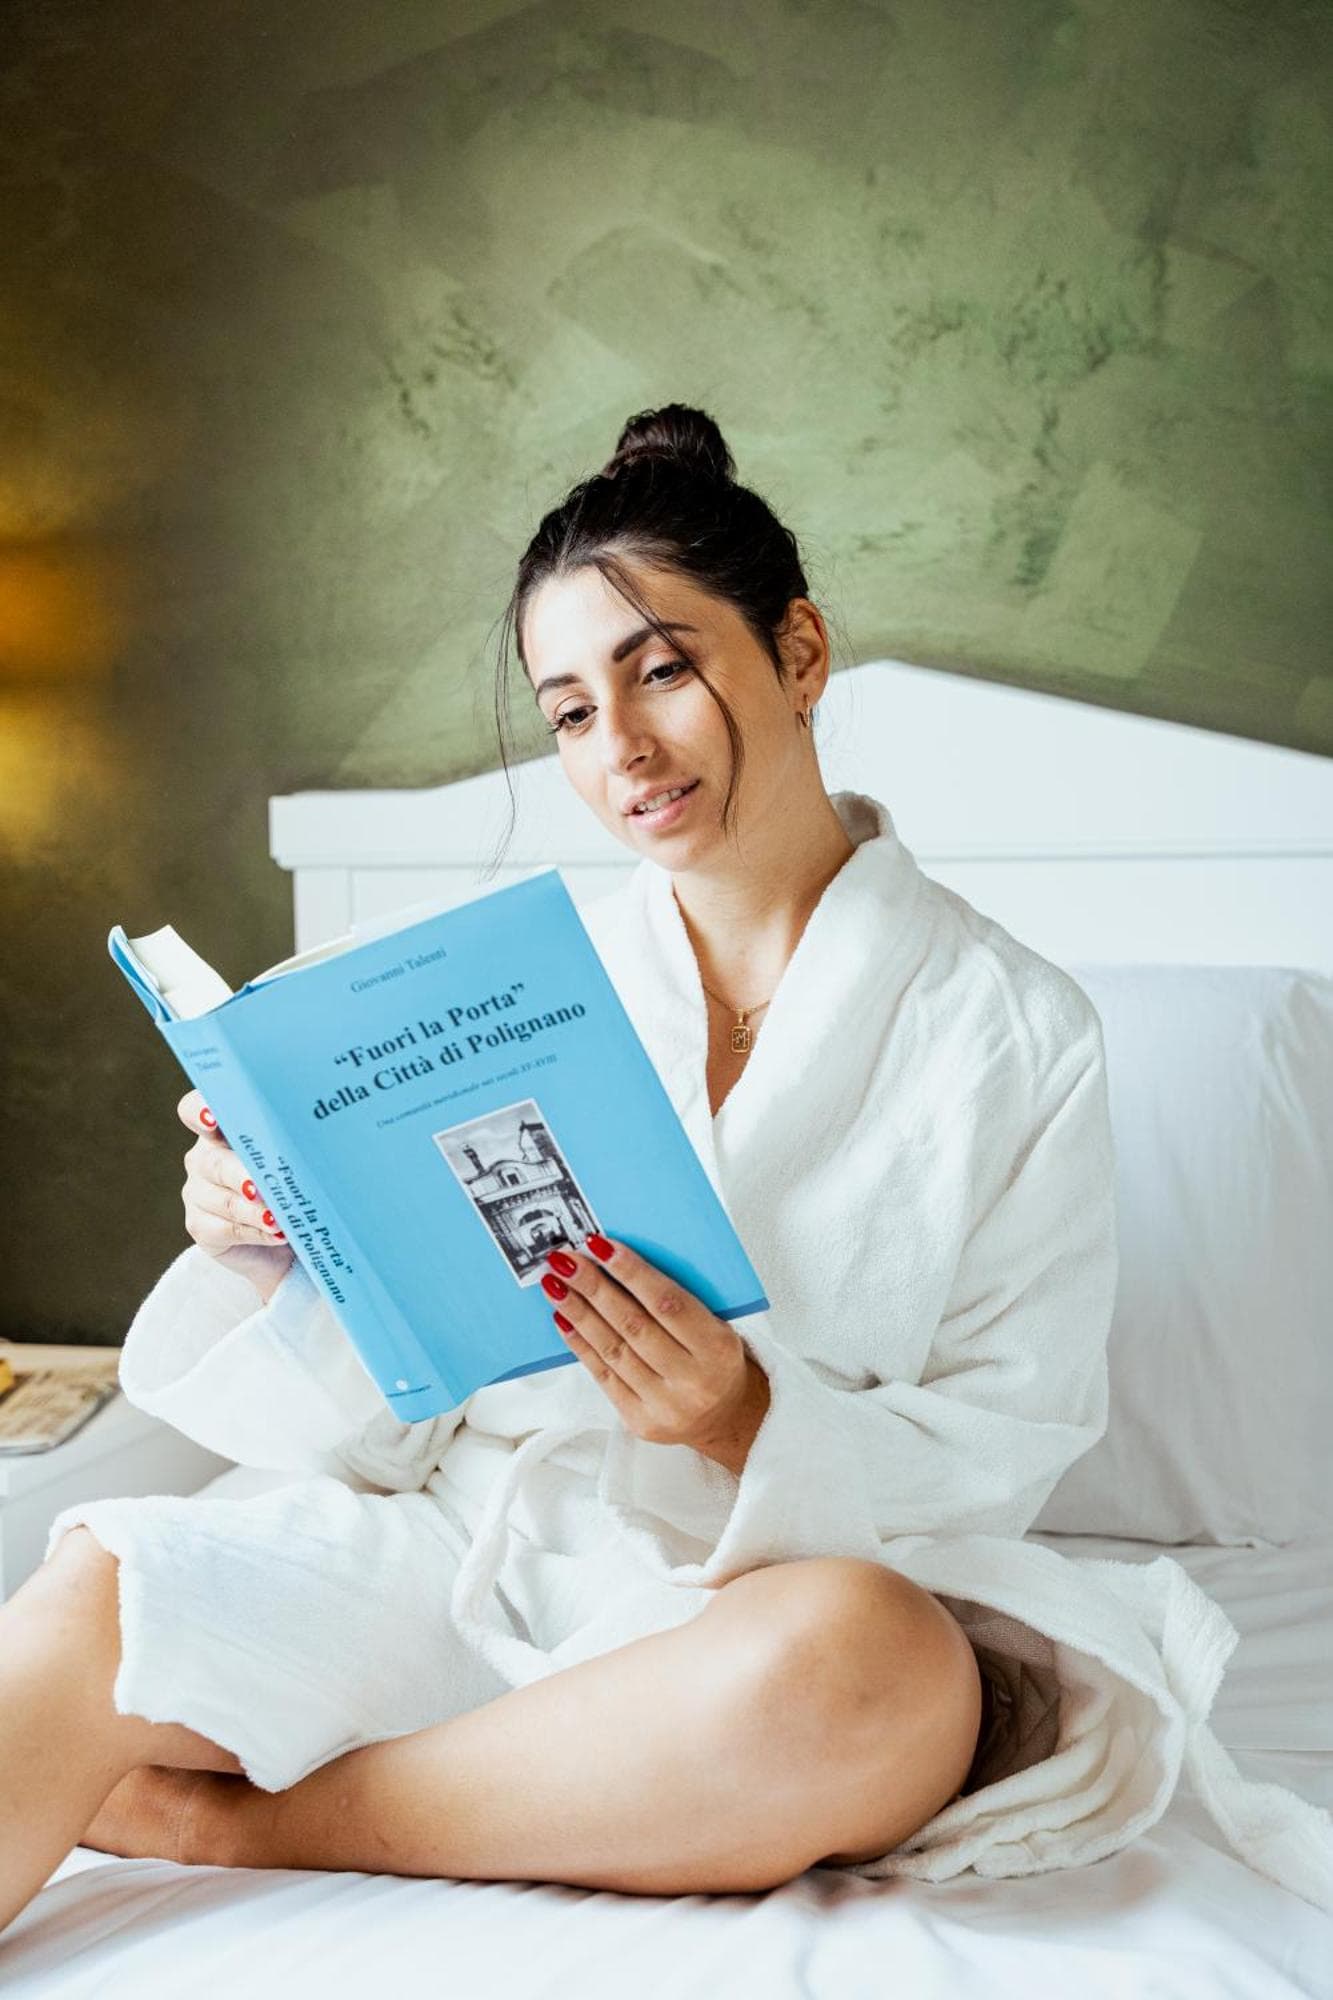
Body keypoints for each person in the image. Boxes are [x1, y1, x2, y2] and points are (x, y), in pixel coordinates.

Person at [4, 406, 1328, 1934]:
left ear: (799, 653)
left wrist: (742, 1418)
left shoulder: (1014, 1031)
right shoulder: (488, 999)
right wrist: (273, 1246)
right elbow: (377, 1427)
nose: (619, 749)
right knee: (96, 1585)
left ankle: (238, 1820)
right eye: (569, 711)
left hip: (751, 1610)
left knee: (877, 1670)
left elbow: (1009, 1440)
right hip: (456, 1551)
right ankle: (452, 1773)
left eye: (663, 671)